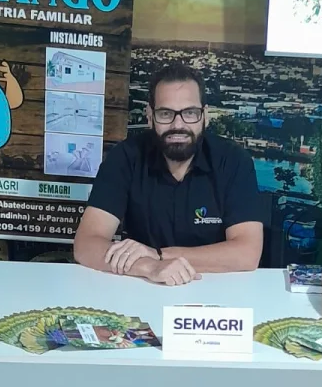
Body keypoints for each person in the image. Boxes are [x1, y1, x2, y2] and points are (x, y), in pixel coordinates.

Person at [73, 63, 263, 285]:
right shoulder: (125, 157)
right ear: (149, 116)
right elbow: (86, 245)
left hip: (216, 287)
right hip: (143, 284)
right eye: (166, 114)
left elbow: (247, 253)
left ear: (205, 116)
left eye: (190, 113)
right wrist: (149, 266)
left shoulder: (233, 161)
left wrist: (159, 255)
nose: (178, 125)